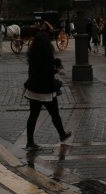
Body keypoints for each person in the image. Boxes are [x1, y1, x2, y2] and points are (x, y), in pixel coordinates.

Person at [24, 21, 72, 151]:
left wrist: (57, 63)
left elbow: (47, 62)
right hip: (44, 88)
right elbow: (46, 70)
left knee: (34, 115)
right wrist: (57, 70)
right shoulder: (43, 51)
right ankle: (61, 134)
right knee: (54, 113)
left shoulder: (34, 52)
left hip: (34, 87)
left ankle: (30, 142)